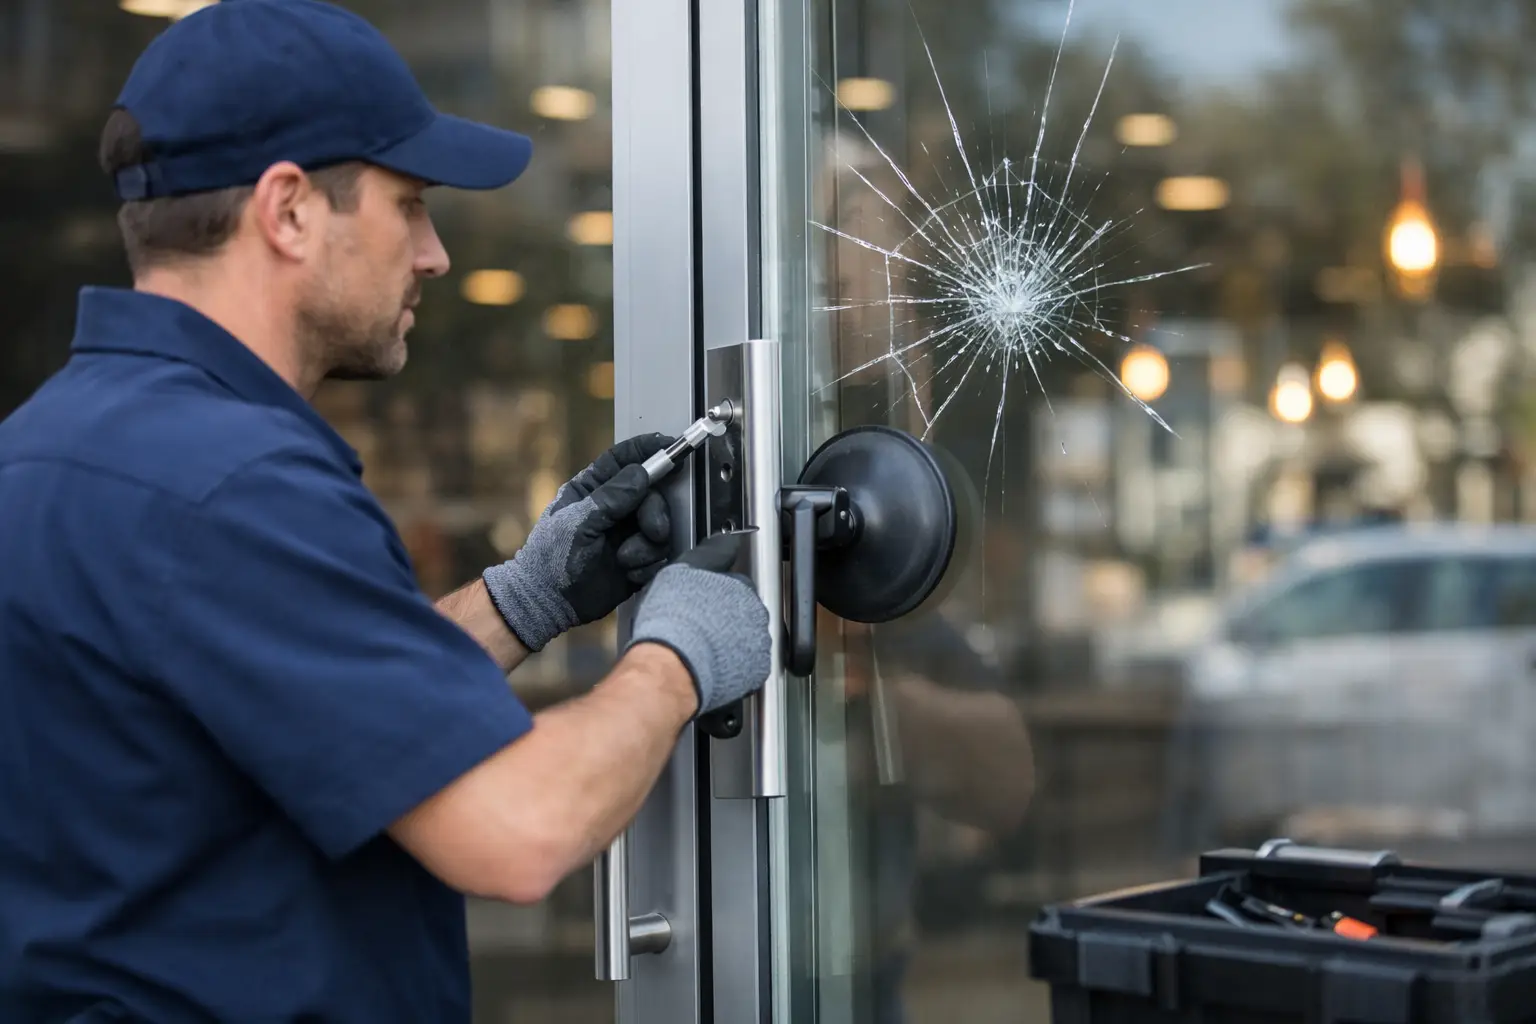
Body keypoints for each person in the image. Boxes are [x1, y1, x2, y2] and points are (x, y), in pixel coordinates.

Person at [0, 2, 772, 1022]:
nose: (434, 252)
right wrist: (677, 657)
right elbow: (520, 828)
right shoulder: (236, 485)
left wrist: (522, 599)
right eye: (408, 205)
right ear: (288, 212)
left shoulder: (53, 448)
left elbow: (284, 703)